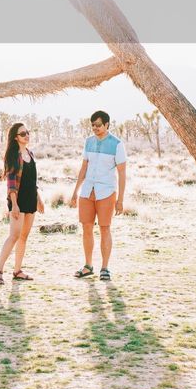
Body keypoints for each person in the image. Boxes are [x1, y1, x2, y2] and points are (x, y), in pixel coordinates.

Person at [69, 110, 127, 281]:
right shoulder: (88, 142)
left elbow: (122, 173)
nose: (95, 128)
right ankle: (88, 266)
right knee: (86, 228)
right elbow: (83, 168)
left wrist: (120, 200)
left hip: (107, 192)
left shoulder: (117, 144)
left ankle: (105, 268)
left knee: (104, 228)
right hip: (87, 192)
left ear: (107, 124)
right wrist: (75, 193)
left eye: (98, 125)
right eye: (92, 125)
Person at [0, 122, 43, 285]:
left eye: (27, 132)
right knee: (14, 235)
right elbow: (11, 184)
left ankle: (17, 271)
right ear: (15, 138)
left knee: (24, 236)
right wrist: (14, 205)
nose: (26, 135)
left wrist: (38, 199)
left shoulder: (30, 154)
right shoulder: (14, 156)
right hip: (18, 201)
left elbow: (32, 180)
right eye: (23, 134)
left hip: (30, 199)